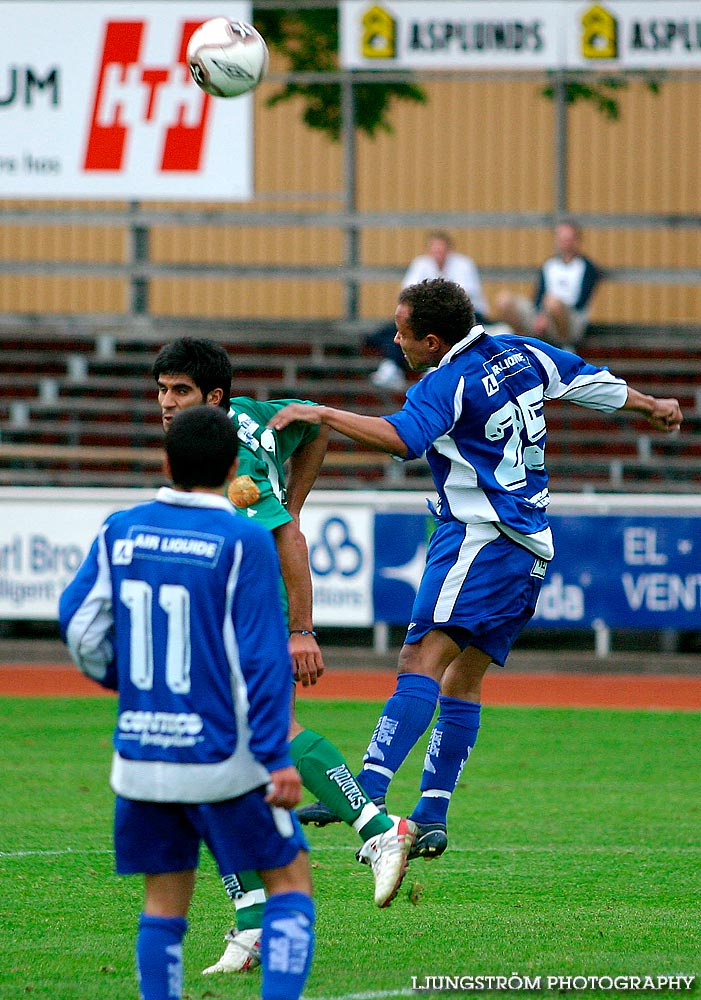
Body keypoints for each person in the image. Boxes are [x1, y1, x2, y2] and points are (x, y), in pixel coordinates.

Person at [267, 278, 683, 859]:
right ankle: (433, 812)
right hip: (530, 546)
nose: (395, 339)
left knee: (421, 658)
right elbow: (593, 382)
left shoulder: (446, 381)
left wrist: (326, 414)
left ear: (433, 341)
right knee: (463, 677)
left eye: (402, 331)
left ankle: (368, 788)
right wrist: (653, 406)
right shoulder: (522, 351)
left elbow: (403, 439)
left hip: (479, 540)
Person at [151, 338, 414, 974]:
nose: (166, 403)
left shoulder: (231, 455)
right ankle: (252, 927)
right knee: (226, 757)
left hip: (246, 597)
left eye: (179, 392)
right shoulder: (252, 413)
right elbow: (309, 419)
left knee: (244, 743)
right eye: (161, 390)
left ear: (212, 397)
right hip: (234, 597)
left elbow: (286, 534)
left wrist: (303, 630)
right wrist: (296, 491)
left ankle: (378, 829)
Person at [58, 405, 315, 1000]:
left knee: (164, 900)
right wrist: (277, 755)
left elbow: (78, 627)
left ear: (166, 461)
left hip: (141, 756)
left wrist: (127, 681)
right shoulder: (244, 538)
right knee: (290, 878)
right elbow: (261, 657)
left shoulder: (120, 529)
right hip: (222, 758)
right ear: (233, 467)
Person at [368, 230, 491, 391]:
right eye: (434, 250)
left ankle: (432, 367)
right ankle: (393, 365)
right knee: (397, 330)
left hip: (466, 317)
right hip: (429, 318)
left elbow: (461, 298)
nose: (438, 254)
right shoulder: (421, 264)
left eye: (441, 250)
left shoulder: (464, 264)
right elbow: (407, 294)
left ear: (449, 250)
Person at [495, 220, 600, 351]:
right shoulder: (549, 265)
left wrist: (550, 311)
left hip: (571, 319)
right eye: (562, 238)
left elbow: (580, 302)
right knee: (504, 299)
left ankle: (565, 346)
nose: (565, 242)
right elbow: (539, 295)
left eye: (569, 238)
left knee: (553, 302)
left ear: (577, 240)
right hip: (545, 314)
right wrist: (541, 314)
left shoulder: (587, 267)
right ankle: (517, 343)